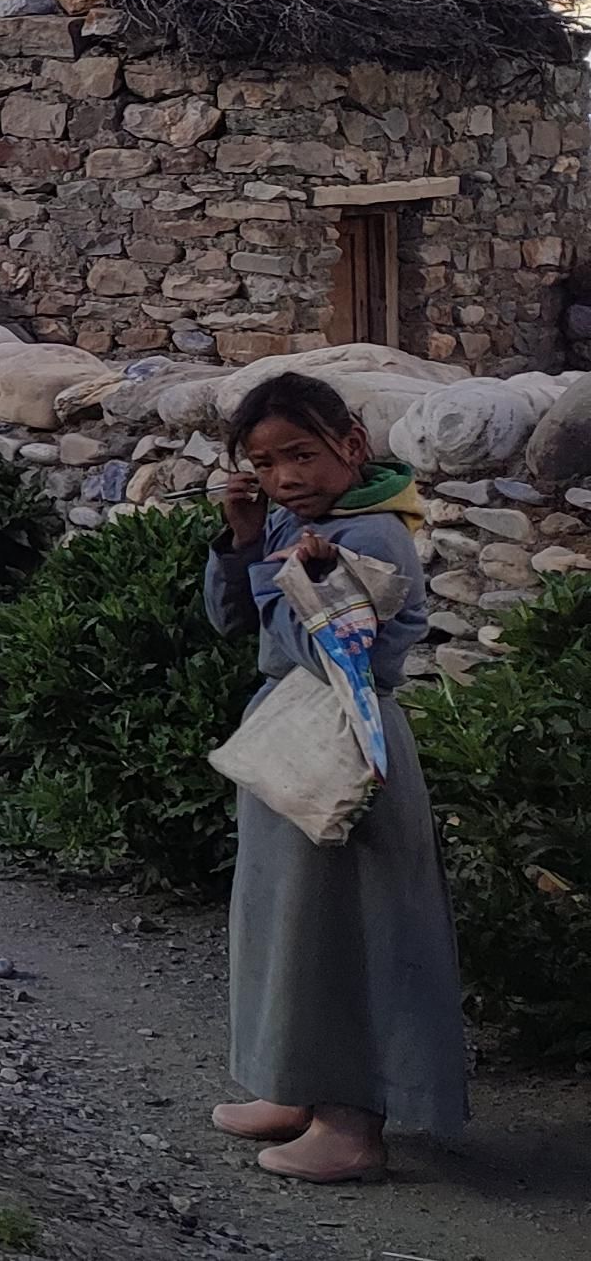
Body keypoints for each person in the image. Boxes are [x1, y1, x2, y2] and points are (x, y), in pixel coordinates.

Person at [200, 371, 467, 1182]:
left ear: (352, 446)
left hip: (350, 749)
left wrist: (302, 576)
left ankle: (351, 1122)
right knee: (285, 923)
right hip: (292, 740)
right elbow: (234, 624)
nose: (285, 478)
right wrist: (247, 542)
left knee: (348, 933)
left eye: (304, 455)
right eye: (266, 461)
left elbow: (341, 655)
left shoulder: (374, 537)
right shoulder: (296, 518)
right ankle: (294, 1086)